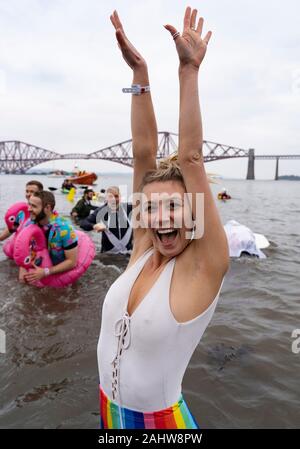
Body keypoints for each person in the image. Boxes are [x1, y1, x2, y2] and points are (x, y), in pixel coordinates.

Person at [97, 8, 229, 430]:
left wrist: (188, 71)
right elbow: (142, 152)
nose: (160, 217)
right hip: (107, 409)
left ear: (193, 212)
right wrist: (140, 74)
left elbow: (190, 156)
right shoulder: (142, 247)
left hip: (161, 424)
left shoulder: (203, 266)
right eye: (151, 207)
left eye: (173, 206)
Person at [19, 191, 78, 284]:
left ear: (47, 208)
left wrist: (46, 271)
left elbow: (72, 262)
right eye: (29, 204)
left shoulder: (65, 229)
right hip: (39, 263)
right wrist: (23, 268)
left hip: (59, 272)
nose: (29, 209)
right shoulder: (29, 224)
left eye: (33, 206)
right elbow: (25, 250)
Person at [80, 186, 133, 254]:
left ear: (120, 197)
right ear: (106, 198)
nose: (114, 199)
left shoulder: (128, 208)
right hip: (108, 255)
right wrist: (94, 226)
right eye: (111, 197)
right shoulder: (101, 211)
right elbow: (83, 223)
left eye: (116, 196)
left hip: (128, 253)